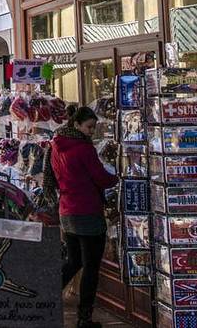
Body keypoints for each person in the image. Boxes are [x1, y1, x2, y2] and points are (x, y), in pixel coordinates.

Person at [49, 105, 117, 328]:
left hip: (67, 211)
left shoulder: (56, 145)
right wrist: (119, 176)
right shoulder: (84, 148)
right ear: (76, 124)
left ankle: (46, 296)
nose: (92, 131)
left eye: (94, 127)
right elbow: (101, 178)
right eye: (89, 127)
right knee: (90, 267)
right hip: (87, 212)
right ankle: (84, 318)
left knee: (74, 260)